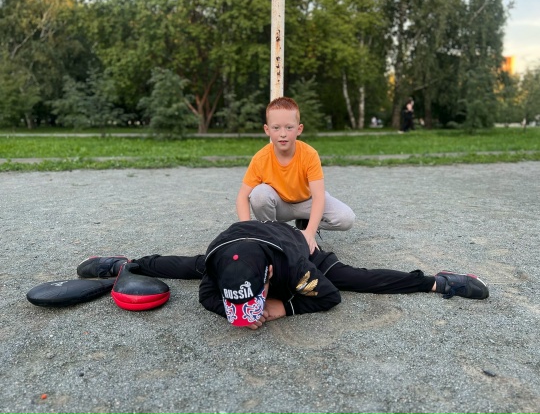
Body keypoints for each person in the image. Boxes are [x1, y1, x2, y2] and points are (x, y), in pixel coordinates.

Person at [77, 220, 489, 330]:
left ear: (270, 275)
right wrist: (230, 309)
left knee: (355, 279)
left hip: (292, 246)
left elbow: (329, 297)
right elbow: (206, 297)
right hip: (236, 245)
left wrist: (282, 307)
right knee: (182, 266)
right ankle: (124, 263)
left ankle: (437, 281)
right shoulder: (214, 264)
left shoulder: (295, 267)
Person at [236, 97, 355, 254]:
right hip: (280, 206)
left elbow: (318, 197)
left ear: (299, 129)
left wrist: (310, 233)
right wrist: (247, 231)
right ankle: (273, 235)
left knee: (346, 218)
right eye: (276, 128)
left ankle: (305, 226)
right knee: (259, 194)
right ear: (267, 130)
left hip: (307, 202)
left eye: (289, 127)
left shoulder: (309, 154)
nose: (283, 134)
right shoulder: (261, 158)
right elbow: (242, 197)